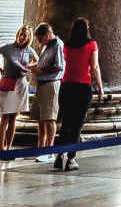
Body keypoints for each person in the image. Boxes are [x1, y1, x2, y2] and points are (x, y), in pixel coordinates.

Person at [55, 17, 104, 171]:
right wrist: (101, 89)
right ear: (86, 29)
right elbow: (94, 67)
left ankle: (58, 155)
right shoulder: (91, 45)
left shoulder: (67, 45)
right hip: (82, 87)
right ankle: (71, 158)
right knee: (77, 124)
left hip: (66, 85)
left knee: (65, 123)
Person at [0, 26, 36, 155]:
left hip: (20, 84)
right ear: (18, 34)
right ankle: (1, 148)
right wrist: (1, 69)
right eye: (21, 34)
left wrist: (28, 67)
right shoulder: (8, 48)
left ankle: (9, 148)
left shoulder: (29, 51)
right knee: (4, 117)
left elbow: (38, 62)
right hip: (7, 83)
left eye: (25, 35)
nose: (22, 37)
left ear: (29, 38)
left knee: (13, 118)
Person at [31, 23, 64, 162]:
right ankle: (41, 148)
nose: (39, 42)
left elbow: (59, 67)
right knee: (41, 118)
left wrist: (41, 71)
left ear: (47, 35)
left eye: (40, 39)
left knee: (50, 118)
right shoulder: (47, 45)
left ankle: (50, 151)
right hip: (42, 84)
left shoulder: (58, 45)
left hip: (50, 84)